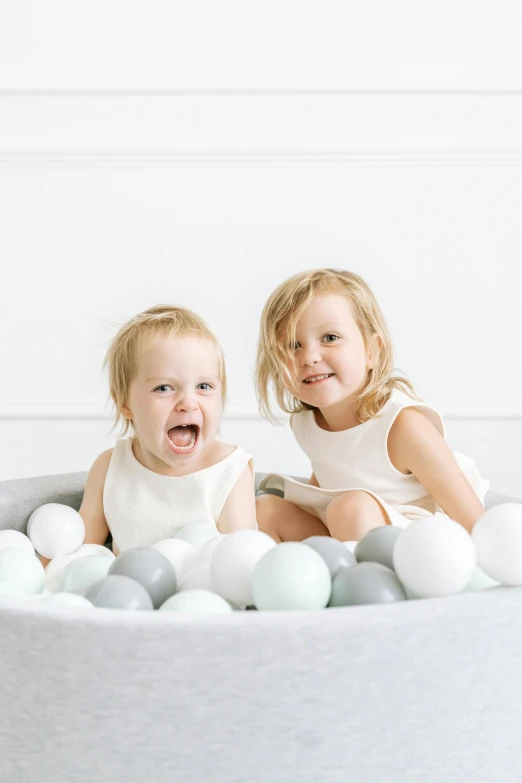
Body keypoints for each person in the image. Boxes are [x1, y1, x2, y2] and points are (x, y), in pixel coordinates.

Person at [254, 268, 489, 544]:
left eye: (329, 338)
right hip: (348, 537)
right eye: (293, 345)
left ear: (371, 351)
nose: (309, 357)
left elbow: (474, 521)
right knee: (265, 509)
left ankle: (364, 581)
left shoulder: (402, 427)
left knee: (349, 508)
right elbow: (332, 479)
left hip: (418, 546)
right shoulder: (306, 424)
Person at [39, 305, 257, 566]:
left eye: (204, 386)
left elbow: (243, 562)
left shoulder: (228, 471)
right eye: (164, 388)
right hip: (127, 599)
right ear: (125, 403)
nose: (188, 402)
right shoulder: (110, 467)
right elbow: (77, 551)